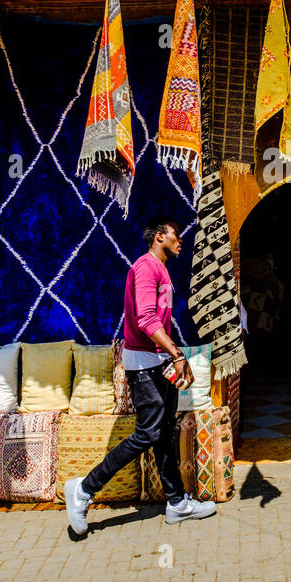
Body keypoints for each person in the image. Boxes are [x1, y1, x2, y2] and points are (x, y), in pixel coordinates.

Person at [64, 217, 217, 534]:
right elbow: (146, 319)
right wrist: (177, 354)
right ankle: (83, 489)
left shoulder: (161, 270)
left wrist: (171, 355)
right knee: (148, 433)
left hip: (157, 361)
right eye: (176, 236)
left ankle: (177, 504)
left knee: (162, 433)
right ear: (160, 236)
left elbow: (156, 321)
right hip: (144, 363)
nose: (180, 241)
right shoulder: (146, 268)